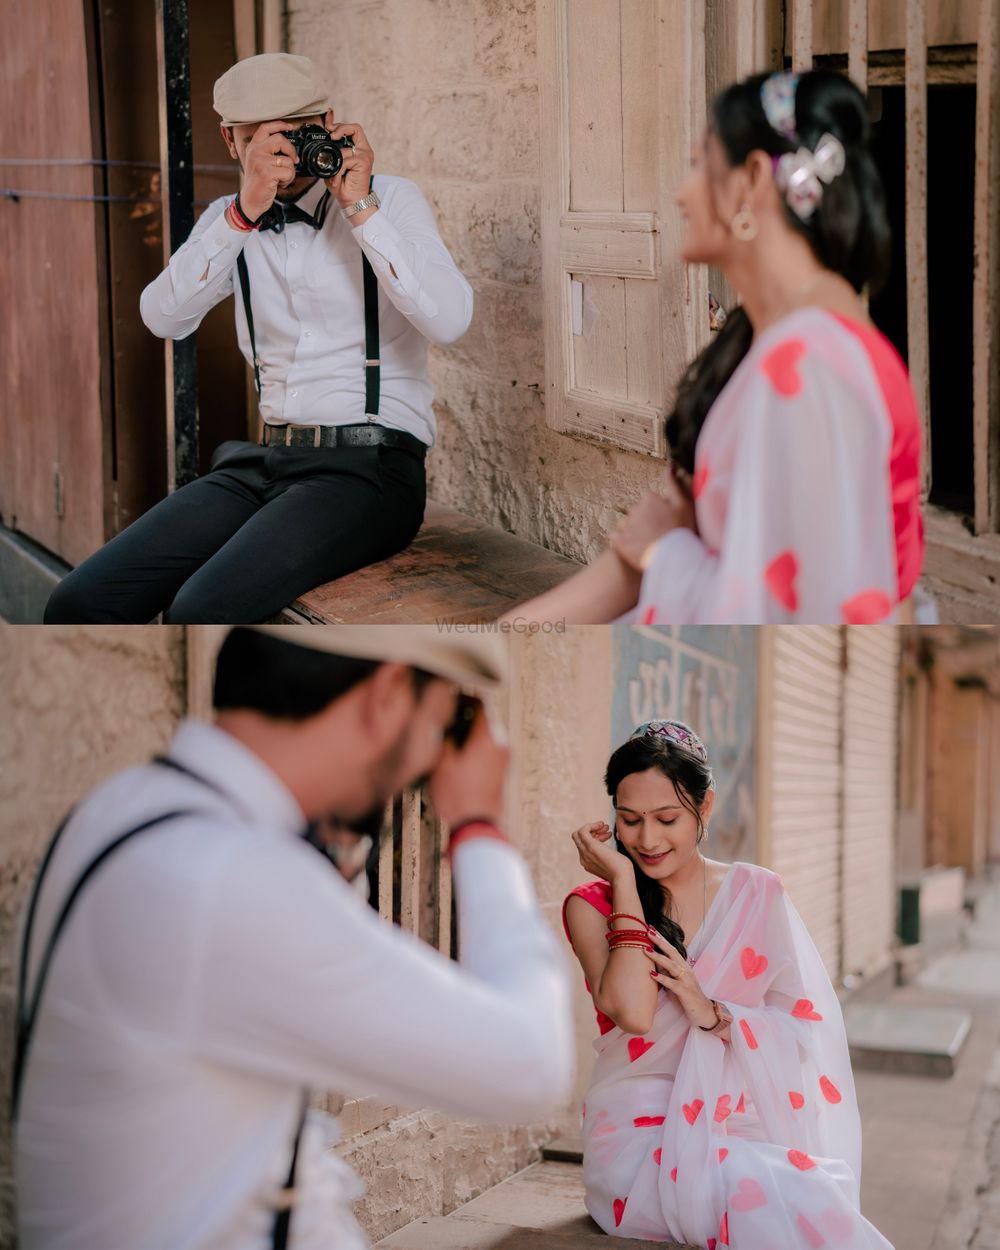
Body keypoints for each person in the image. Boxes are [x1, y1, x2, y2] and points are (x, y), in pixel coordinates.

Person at [14, 626, 573, 1249]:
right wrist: (479, 826)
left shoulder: (128, 807)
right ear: (388, 693)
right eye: (445, 719)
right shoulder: (229, 882)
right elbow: (531, 1064)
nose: (431, 763)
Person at [44, 53, 473, 624]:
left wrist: (359, 208)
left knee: (201, 608)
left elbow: (449, 321)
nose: (285, 157)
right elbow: (162, 318)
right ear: (230, 143)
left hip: (370, 470)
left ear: (329, 121)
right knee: (78, 602)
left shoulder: (389, 200)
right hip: (265, 460)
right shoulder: (228, 218)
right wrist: (243, 215)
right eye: (262, 141)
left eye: (296, 136)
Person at [506, 70, 929, 626]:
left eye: (700, 163)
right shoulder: (777, 341)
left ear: (751, 178)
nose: (682, 192)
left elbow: (799, 616)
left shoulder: (807, 364)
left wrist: (662, 553)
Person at [563, 719, 894, 1248]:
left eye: (667, 818)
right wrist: (623, 883)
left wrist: (714, 1011)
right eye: (629, 820)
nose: (647, 840)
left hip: (737, 1124)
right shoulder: (593, 904)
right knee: (783, 1195)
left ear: (705, 808)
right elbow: (634, 1013)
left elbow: (808, 1031)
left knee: (806, 1194)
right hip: (637, 1140)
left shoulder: (755, 893)